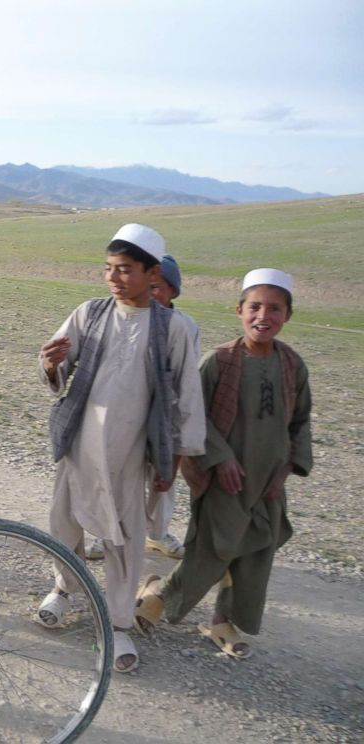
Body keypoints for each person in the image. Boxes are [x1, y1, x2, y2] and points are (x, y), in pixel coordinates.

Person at [35, 223, 205, 674]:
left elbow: (188, 397)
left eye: (125, 269)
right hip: (80, 445)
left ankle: (118, 622)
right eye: (109, 268)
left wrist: (177, 458)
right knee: (64, 523)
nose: (114, 278)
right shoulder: (90, 313)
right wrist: (50, 364)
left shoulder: (174, 329)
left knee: (124, 538)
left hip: (132, 454)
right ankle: (64, 589)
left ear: (153, 274)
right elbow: (57, 367)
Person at [134, 269, 312, 660]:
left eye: (275, 308)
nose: (263, 316)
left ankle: (222, 621)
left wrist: (285, 471)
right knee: (213, 549)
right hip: (223, 479)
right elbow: (192, 414)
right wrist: (221, 457)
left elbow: (300, 422)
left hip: (268, 482)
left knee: (252, 554)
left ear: (288, 315)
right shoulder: (220, 360)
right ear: (239, 311)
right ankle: (157, 597)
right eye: (255, 307)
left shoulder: (293, 365)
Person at [85, 254, 201, 561]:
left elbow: (186, 381)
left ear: (173, 291)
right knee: (114, 477)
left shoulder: (184, 327)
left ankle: (157, 533)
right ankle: (104, 535)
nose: (152, 294)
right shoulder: (124, 318)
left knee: (162, 481)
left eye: (159, 287)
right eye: (148, 287)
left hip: (163, 420)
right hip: (128, 419)